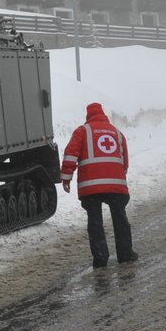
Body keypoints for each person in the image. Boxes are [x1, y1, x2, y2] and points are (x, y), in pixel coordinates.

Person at [60, 102, 137, 269]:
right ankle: (125, 254)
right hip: (116, 185)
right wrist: (117, 177)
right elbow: (124, 162)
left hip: (90, 187)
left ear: (88, 116)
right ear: (104, 115)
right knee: (120, 219)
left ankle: (101, 259)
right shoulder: (117, 133)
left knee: (95, 222)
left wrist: (66, 179)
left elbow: (70, 155)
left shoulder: (82, 131)